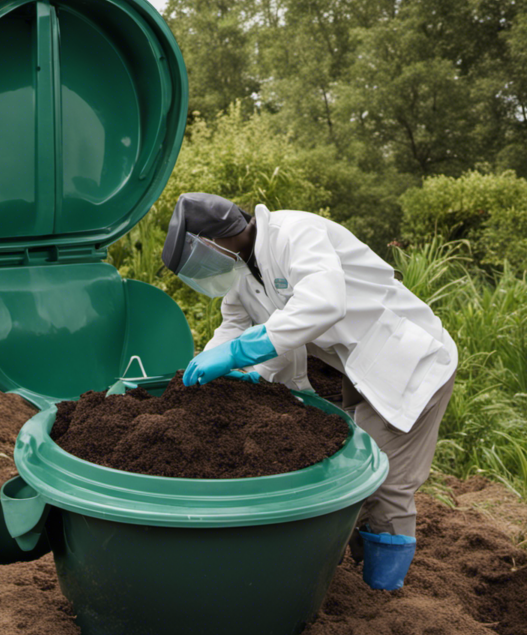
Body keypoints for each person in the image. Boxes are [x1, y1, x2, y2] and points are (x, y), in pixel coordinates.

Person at [162, 192, 458, 591]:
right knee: (358, 468)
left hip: (407, 361)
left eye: (197, 256)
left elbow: (322, 303)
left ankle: (382, 594)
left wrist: (240, 353)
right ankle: (344, 574)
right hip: (361, 368)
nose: (202, 268)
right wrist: (210, 365)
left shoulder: (295, 234)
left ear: (215, 239)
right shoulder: (243, 271)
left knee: (384, 481)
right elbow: (234, 324)